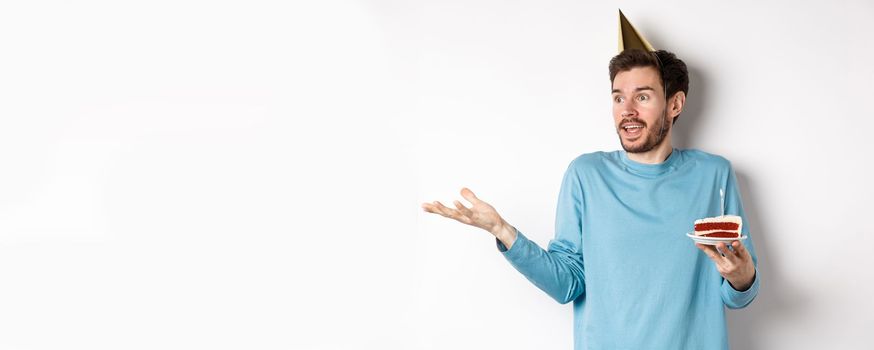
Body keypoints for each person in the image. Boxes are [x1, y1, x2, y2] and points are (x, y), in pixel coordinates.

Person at [421, 41, 759, 349]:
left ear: (675, 103)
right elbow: (567, 284)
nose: (627, 109)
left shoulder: (712, 175)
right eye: (618, 97)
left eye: (642, 96)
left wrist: (742, 277)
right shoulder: (587, 175)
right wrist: (502, 231)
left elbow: (739, 293)